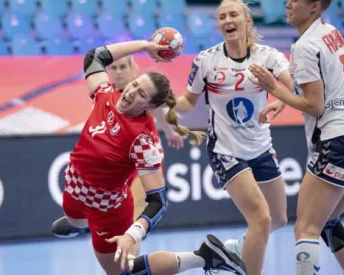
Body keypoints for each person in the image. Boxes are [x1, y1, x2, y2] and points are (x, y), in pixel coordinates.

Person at [54, 39, 246, 275]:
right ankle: (78, 225)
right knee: (74, 218)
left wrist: (132, 233)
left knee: (123, 272)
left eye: (140, 93)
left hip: (107, 211)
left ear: (150, 106)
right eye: (134, 85)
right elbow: (94, 56)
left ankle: (205, 256)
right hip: (74, 187)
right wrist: (145, 46)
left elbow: (159, 201)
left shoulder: (141, 142)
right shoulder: (105, 95)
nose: (131, 93)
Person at [248, 1, 344, 274]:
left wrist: (272, 87)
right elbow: (322, 87)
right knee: (328, 219)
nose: (287, 3)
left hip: (339, 139)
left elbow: (315, 105)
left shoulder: (304, 45)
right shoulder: (331, 32)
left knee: (306, 227)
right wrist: (283, 101)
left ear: (314, 6)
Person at [174, 0, 293, 274]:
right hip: (226, 150)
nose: (227, 20)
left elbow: (293, 88)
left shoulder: (269, 57)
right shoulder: (206, 60)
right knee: (261, 220)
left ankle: (235, 250)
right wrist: (162, 101)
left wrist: (279, 100)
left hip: (261, 147)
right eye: (222, 16)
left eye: (233, 15)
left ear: (247, 20)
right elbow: (187, 103)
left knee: (278, 219)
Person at [52, 55, 184, 258]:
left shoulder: (144, 93)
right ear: (109, 71)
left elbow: (158, 112)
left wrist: (170, 131)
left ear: (133, 70)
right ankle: (81, 223)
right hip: (115, 162)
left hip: (141, 161)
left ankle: (130, 259)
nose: (119, 71)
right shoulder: (107, 94)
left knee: (133, 214)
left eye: (123, 67)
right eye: (114, 67)